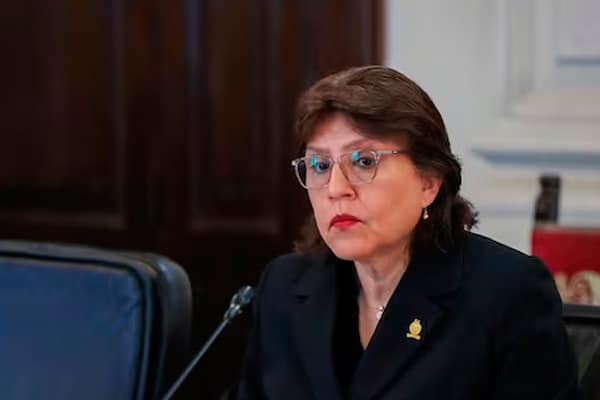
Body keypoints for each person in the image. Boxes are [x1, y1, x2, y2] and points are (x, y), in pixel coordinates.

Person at [232, 65, 579, 399]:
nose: (335, 188)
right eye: (320, 165)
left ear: (429, 182)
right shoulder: (283, 288)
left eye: (364, 161)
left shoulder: (507, 295)